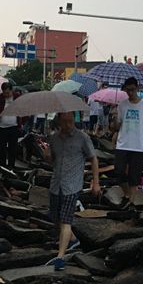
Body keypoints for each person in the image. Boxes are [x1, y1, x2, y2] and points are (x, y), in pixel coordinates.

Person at [42, 111, 101, 271]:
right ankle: (73, 240)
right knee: (54, 217)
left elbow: (93, 158)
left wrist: (96, 182)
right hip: (56, 183)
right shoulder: (54, 139)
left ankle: (60, 256)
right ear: (59, 121)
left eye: (71, 121)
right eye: (65, 121)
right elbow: (53, 162)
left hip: (73, 185)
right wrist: (46, 156)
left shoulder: (82, 137)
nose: (69, 125)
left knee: (66, 220)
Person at [113, 77, 143, 205]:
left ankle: (131, 202)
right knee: (118, 171)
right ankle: (126, 193)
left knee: (134, 176)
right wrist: (114, 118)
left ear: (137, 88)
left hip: (138, 146)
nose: (130, 92)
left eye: (132, 90)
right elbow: (117, 127)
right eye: (127, 90)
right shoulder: (121, 105)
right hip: (122, 144)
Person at [0, 82, 22, 169]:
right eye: (4, 93)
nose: (6, 95)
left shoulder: (17, 97)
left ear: (11, 90)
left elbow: (24, 109)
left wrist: (22, 122)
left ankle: (11, 166)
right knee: (1, 148)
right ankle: (2, 166)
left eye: (8, 93)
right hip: (1, 127)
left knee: (13, 148)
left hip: (14, 127)